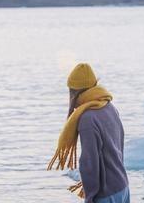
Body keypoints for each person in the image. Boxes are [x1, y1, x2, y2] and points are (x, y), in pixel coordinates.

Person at [48, 63, 130, 203]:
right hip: (122, 188)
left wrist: (90, 197)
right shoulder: (109, 107)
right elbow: (120, 145)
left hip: (105, 195)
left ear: (74, 92)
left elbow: (89, 162)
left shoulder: (88, 118)